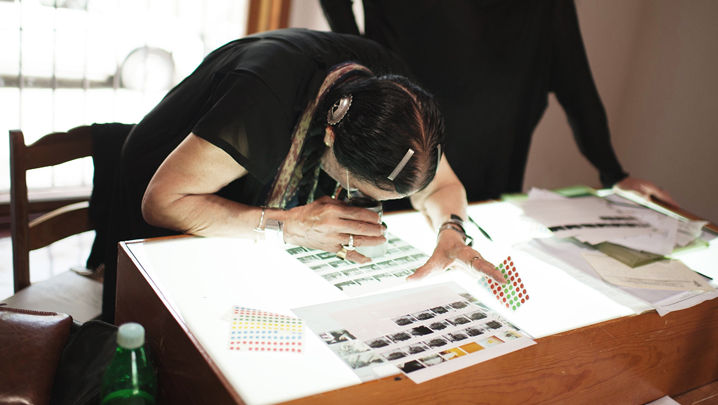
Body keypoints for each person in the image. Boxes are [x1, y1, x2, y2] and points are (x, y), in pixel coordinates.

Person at [101, 29, 503, 322]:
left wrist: (451, 230)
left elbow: (443, 185)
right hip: (165, 174)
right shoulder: (261, 104)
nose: (367, 205)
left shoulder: (399, 106)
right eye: (359, 191)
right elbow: (163, 202)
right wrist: (289, 226)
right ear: (330, 136)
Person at [314, 0, 675, 206]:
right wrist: (362, 58)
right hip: (389, 159)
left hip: (483, 175)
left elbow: (576, 85)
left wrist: (614, 173)